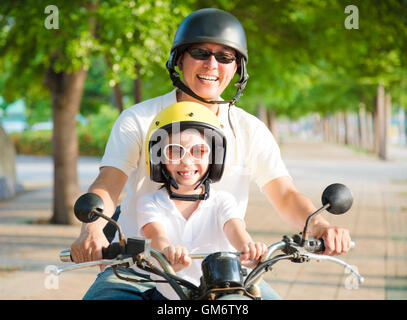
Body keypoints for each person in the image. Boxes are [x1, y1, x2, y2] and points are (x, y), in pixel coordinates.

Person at [73, 8, 351, 300]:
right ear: (179, 59)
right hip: (138, 269)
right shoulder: (139, 119)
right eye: (200, 52)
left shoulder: (250, 129)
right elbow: (108, 184)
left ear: (237, 68)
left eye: (225, 57)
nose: (212, 64)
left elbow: (284, 194)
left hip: (224, 273)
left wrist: (320, 227)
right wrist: (91, 228)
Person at [136, 101, 269, 300]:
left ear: (214, 157)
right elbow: (156, 234)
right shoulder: (150, 202)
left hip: (222, 293)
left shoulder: (222, 201)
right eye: (174, 150)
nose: (187, 161)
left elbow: (235, 229)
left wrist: (248, 248)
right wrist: (166, 252)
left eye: (198, 151)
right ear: (158, 158)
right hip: (170, 297)